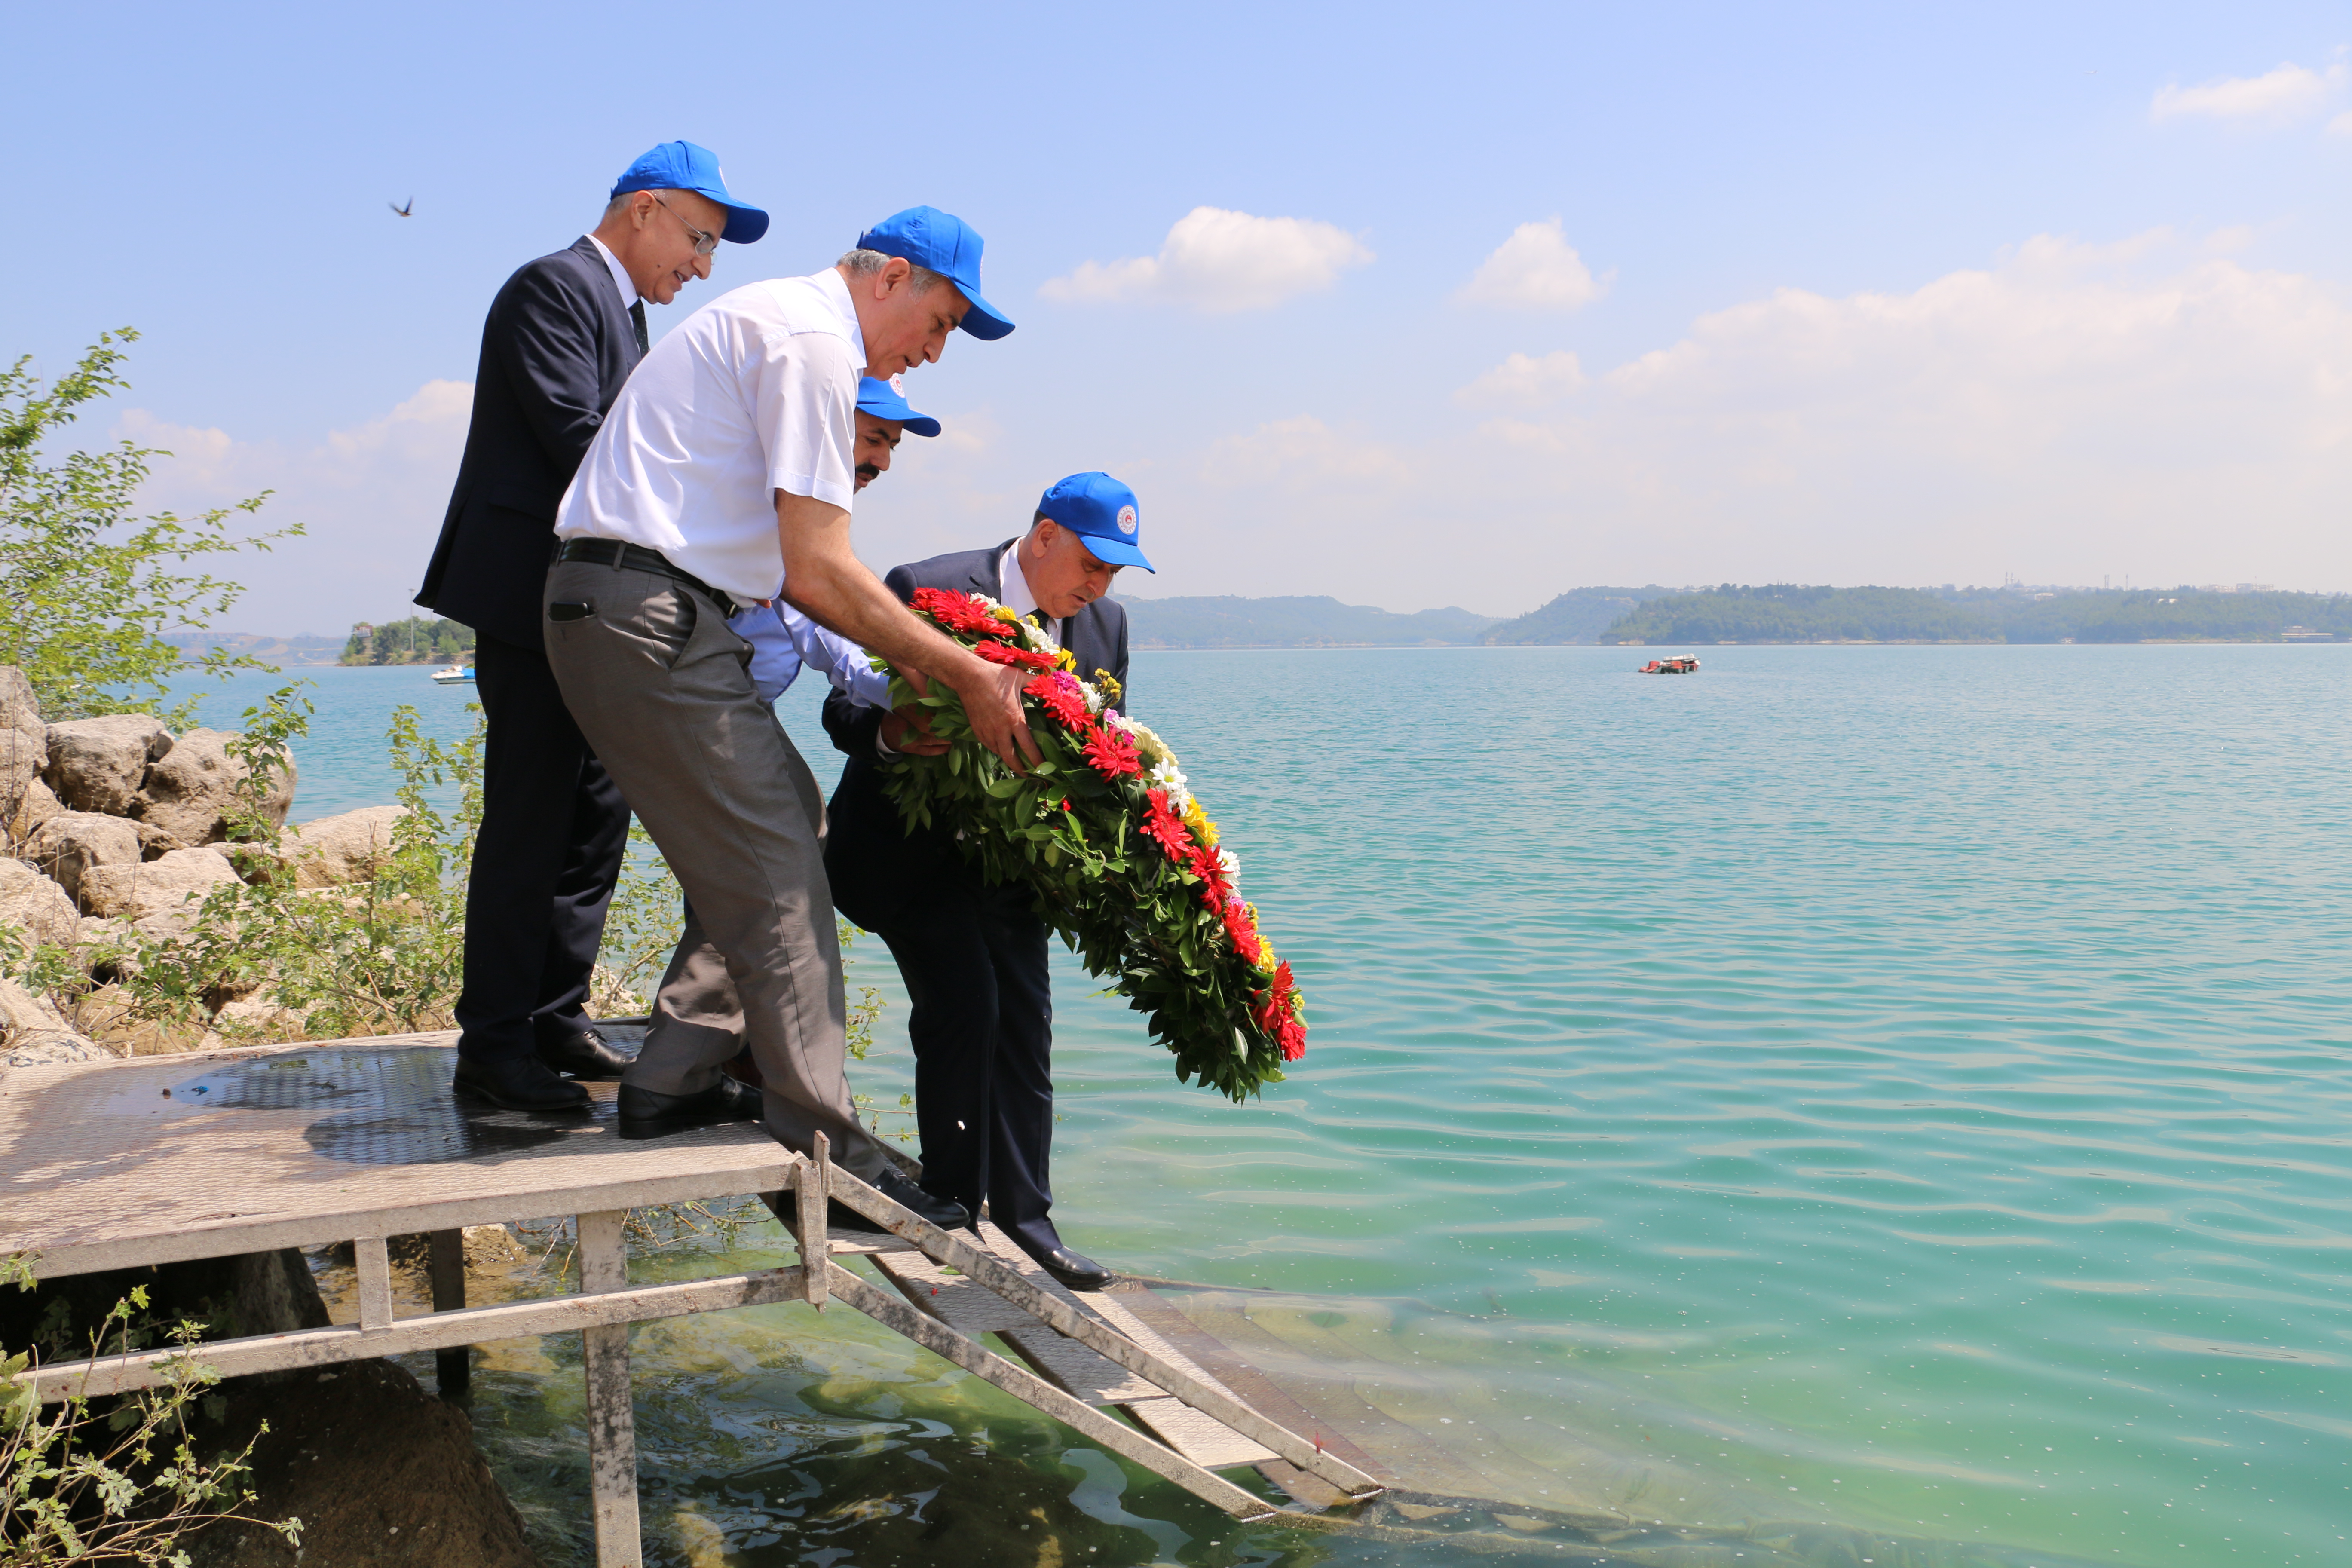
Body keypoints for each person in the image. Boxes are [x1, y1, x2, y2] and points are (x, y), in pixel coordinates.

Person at [542, 208, 1031, 1231]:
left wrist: (909, 689)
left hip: (637, 609)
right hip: (648, 613)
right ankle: (829, 1154)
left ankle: (672, 1076)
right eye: (939, 322)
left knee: (777, 834)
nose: (933, 354)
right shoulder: (815, 342)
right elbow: (816, 572)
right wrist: (964, 677)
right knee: (781, 874)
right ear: (892, 277)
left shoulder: (778, 322)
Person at [415, 141, 768, 1112]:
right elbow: (583, 440)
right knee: (531, 821)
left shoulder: (626, 317)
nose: (700, 267)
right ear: (643, 209)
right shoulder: (554, 288)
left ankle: (554, 1016)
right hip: (532, 603)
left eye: (712, 253)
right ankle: (493, 1042)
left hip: (597, 614)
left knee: (595, 819)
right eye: (698, 239)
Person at [820, 474, 1148, 1289]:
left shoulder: (1105, 630)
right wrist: (892, 735)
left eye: (1113, 574)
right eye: (1089, 564)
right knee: (967, 1000)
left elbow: (1097, 760)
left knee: (1026, 1025)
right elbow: (841, 710)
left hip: (1007, 868)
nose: (1097, 587)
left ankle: (1030, 1220)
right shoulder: (924, 588)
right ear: (1043, 537)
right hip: (903, 856)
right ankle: (953, 1201)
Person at [617, 374, 939, 1142]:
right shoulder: (768, 511)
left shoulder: (795, 519)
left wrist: (925, 693)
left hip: (724, 709)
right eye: (873, 439)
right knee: (791, 848)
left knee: (757, 869)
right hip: (695, 700)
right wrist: (938, 687)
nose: (883, 462)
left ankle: (703, 1061)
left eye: (892, 446)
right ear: (824, 429)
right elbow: (839, 644)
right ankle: (694, 1074)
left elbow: (837, 650)